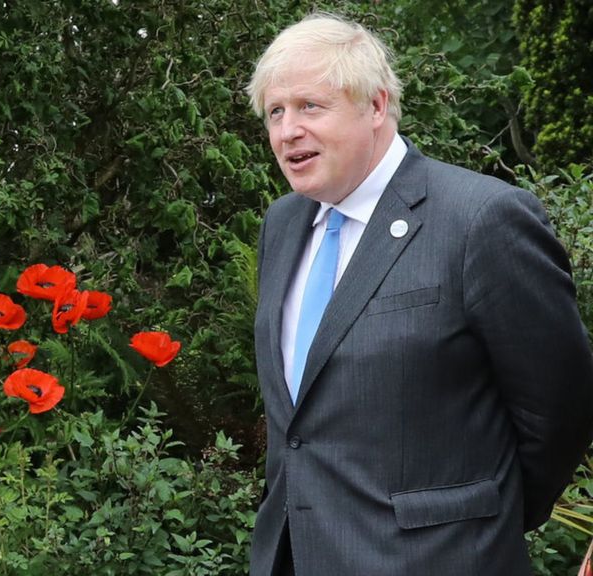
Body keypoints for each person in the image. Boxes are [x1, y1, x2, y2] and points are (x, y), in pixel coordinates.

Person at [244, 13, 593, 576]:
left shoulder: (481, 219)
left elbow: (561, 409)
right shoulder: (283, 225)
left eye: (310, 106)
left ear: (376, 106)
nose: (288, 131)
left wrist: (479, 522)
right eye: (276, 112)